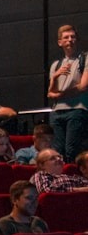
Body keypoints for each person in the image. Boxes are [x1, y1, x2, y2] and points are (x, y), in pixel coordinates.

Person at [48, 23, 88, 160]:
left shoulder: (85, 59)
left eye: (72, 37)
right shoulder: (56, 65)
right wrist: (54, 77)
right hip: (57, 111)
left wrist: (60, 95)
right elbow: (50, 93)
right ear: (60, 42)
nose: (69, 40)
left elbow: (83, 86)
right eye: (66, 37)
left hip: (77, 110)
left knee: (72, 150)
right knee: (58, 151)